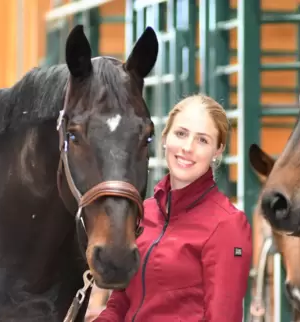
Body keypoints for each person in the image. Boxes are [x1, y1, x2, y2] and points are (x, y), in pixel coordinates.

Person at [93, 94, 253, 322]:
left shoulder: (227, 224)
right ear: (165, 137)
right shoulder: (143, 212)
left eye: (203, 140)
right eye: (181, 134)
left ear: (218, 150)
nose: (188, 147)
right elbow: (121, 302)